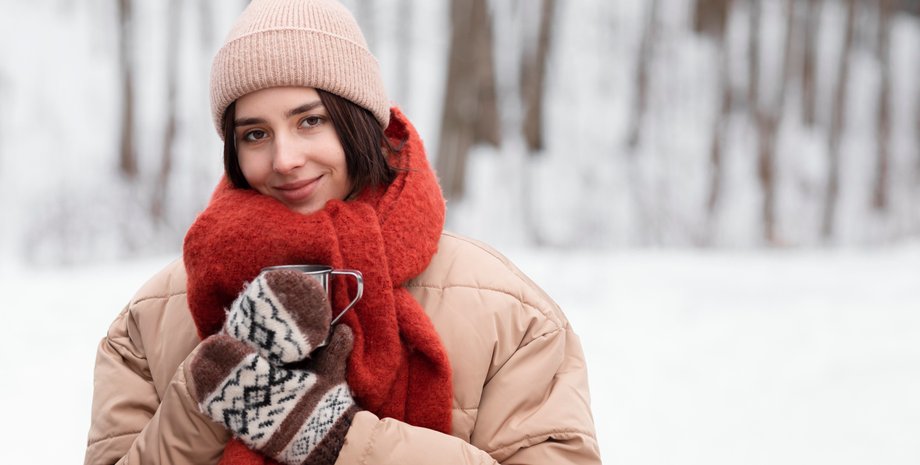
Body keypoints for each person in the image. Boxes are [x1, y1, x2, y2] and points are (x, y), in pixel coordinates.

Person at [84, 0, 601, 464]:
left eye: (310, 121)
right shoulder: (149, 322)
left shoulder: (510, 316)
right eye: (256, 134)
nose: (285, 159)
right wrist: (209, 396)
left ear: (358, 123)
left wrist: (333, 440)